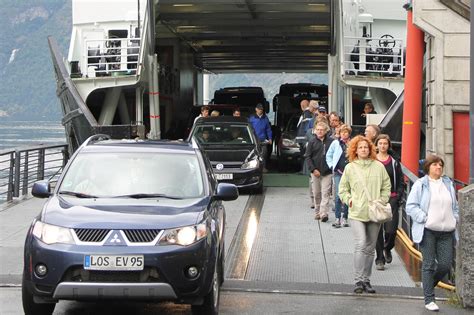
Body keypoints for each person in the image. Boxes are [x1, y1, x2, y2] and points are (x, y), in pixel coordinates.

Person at [338, 135, 391, 294]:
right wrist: (350, 201)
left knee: (370, 248)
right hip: (357, 212)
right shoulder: (350, 168)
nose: (363, 150)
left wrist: (382, 200)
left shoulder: (378, 167)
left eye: (366, 147)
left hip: (374, 212)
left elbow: (386, 186)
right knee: (360, 243)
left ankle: (366, 280)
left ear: (370, 149)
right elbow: (342, 189)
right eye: (360, 147)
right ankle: (358, 279)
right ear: (355, 150)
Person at [405, 155, 459, 312]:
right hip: (428, 230)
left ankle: (427, 284)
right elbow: (411, 205)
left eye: (440, 165)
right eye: (435, 165)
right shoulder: (421, 184)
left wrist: (455, 218)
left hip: (447, 231)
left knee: (445, 264)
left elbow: (454, 205)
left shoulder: (448, 183)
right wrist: (424, 218)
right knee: (428, 264)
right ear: (428, 167)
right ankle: (429, 298)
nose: (439, 167)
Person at [374, 134, 404, 270]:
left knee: (391, 230)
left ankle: (388, 247)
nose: (382, 146)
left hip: (391, 197)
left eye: (385, 143)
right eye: (380, 143)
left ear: (388, 145)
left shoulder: (394, 161)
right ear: (376, 145)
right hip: (376, 198)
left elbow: (400, 180)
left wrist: (398, 196)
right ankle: (379, 258)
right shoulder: (372, 161)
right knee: (377, 229)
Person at [304, 122, 333, 222]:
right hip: (315, 171)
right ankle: (317, 211)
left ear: (326, 131)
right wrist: (313, 169)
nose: (320, 131)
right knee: (317, 193)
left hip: (327, 172)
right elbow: (307, 157)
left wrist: (332, 166)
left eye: (322, 130)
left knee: (326, 193)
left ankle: (324, 213)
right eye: (318, 130)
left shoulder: (331, 142)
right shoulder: (312, 142)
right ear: (315, 131)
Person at [326, 124, 352, 228]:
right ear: (339, 133)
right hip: (338, 172)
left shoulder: (352, 143)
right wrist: (332, 165)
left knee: (347, 195)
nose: (344, 134)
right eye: (342, 132)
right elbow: (329, 155)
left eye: (346, 132)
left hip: (349, 172)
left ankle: (345, 217)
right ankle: (337, 217)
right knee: (338, 195)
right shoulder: (335, 143)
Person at [249, 103, 272, 172]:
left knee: (264, 154)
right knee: (254, 154)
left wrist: (270, 138)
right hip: (254, 140)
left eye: (261, 109)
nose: (260, 111)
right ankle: (253, 168)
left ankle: (263, 167)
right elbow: (249, 128)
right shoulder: (252, 118)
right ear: (256, 109)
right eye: (259, 109)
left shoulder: (265, 118)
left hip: (263, 140)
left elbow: (268, 129)